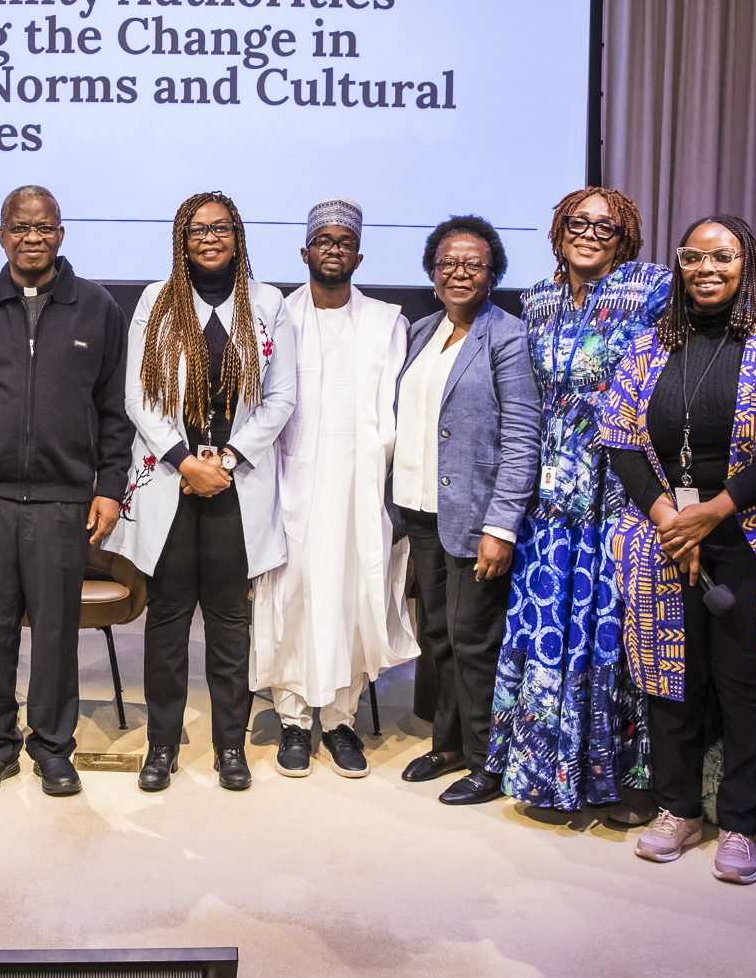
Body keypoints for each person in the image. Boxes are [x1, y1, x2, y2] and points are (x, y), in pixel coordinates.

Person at [602, 214, 756, 884]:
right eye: (694, 257)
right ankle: (678, 809)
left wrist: (713, 512)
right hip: (662, 534)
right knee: (668, 678)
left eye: (723, 257)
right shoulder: (649, 344)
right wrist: (670, 516)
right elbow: (619, 438)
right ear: (678, 263)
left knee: (745, 684)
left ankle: (739, 821)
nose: (707, 269)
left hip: (751, 533)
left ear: (747, 265)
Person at [0, 186, 134, 797]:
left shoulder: (96, 307)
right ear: (1, 234)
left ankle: (53, 747)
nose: (32, 238)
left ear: (60, 234)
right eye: (20, 227)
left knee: (54, 629)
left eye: (43, 227)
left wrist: (109, 487)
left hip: (62, 500)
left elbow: (113, 410)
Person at [485, 188, 671, 820]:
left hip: (624, 488)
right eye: (578, 222)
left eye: (606, 226)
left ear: (627, 237)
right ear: (558, 230)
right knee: (547, 629)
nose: (590, 233)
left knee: (617, 635)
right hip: (550, 494)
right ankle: (545, 772)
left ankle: (624, 784)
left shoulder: (654, 290)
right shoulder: (536, 299)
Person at [106, 192, 296, 792]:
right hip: (174, 479)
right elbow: (138, 397)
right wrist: (187, 462)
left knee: (227, 622)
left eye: (219, 228)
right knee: (165, 620)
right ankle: (161, 746)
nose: (208, 237)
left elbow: (281, 399)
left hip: (234, 486)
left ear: (237, 235)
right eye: (196, 229)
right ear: (180, 239)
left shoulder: (266, 304)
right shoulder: (154, 302)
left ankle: (229, 749)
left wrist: (230, 459)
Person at [250, 198, 414, 779]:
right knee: (292, 597)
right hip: (288, 484)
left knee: (350, 598)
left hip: (359, 491)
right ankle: (294, 720)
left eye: (345, 242)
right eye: (325, 241)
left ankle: (341, 720)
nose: (335, 250)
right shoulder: (277, 318)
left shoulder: (386, 323)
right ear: (306, 252)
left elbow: (400, 412)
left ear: (359, 255)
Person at [394, 217, 543, 806]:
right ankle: (449, 742)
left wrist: (501, 526)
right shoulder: (422, 331)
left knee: (473, 639)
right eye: (448, 263)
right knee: (437, 636)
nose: (459, 272)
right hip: (422, 510)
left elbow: (523, 434)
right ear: (433, 274)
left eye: (473, 264)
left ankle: (489, 761)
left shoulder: (507, 336)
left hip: (478, 515)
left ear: (493, 275)